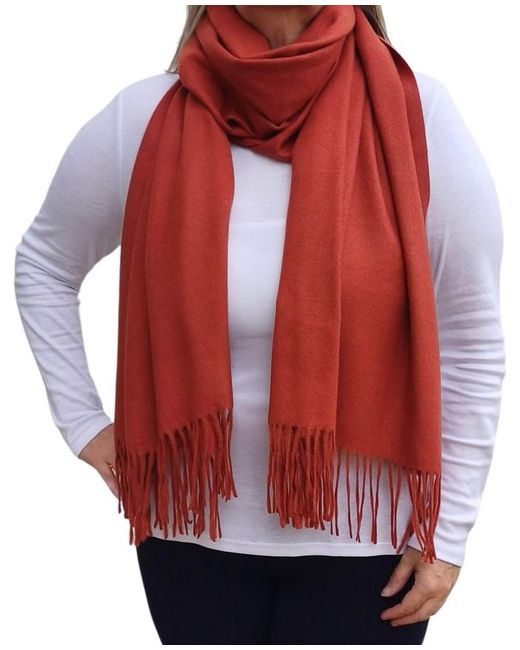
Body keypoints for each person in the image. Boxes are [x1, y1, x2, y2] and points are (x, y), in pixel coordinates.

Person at [14, 4, 505, 645]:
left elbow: (471, 333)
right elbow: (45, 264)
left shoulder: (419, 117)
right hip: (191, 537)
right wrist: (83, 423)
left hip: (371, 547)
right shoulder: (142, 117)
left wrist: (450, 531)